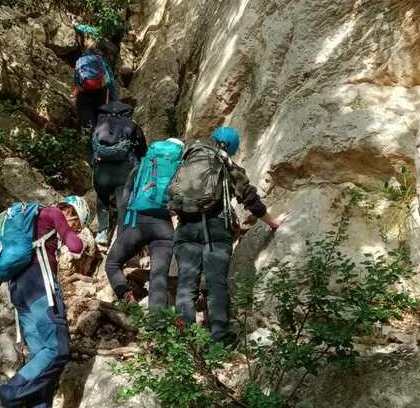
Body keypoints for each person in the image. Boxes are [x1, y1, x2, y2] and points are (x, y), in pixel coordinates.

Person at [0, 195, 89, 408]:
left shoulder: (26, 228)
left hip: (19, 295)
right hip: (40, 290)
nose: (76, 227)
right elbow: (76, 246)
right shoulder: (52, 213)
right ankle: (2, 397)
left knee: (43, 358)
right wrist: (73, 236)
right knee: (58, 349)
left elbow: (1, 272)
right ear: (70, 211)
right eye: (77, 222)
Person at [168, 126, 285, 345]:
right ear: (229, 147)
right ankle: (220, 338)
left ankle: (185, 343)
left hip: (185, 229)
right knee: (216, 284)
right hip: (215, 230)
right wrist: (273, 222)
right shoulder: (225, 164)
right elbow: (250, 199)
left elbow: (171, 197)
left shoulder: (187, 161)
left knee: (186, 284)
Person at [105, 138, 184, 312]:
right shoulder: (180, 168)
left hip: (138, 223)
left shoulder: (143, 166)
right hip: (165, 226)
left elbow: (124, 201)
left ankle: (126, 297)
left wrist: (124, 231)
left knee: (112, 263)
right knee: (158, 277)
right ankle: (156, 326)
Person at [91, 101, 146, 248]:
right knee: (123, 204)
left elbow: (92, 149)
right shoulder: (132, 126)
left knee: (102, 197)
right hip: (124, 171)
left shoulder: (98, 126)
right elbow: (142, 150)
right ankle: (121, 239)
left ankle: (102, 232)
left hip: (102, 171)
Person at [73, 36, 117, 137]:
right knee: (101, 119)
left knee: (88, 123)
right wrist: (113, 101)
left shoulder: (79, 61)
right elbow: (109, 80)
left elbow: (76, 82)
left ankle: (89, 142)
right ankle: (102, 142)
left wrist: (76, 98)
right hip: (100, 92)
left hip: (84, 94)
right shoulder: (100, 59)